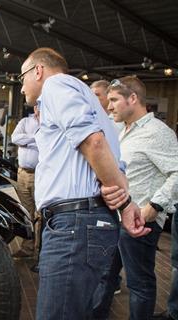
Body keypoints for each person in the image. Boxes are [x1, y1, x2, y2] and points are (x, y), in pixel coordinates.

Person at [18, 47, 149, 320]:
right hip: (87, 223)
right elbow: (115, 162)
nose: (21, 88)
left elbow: (94, 142)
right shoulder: (91, 102)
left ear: (38, 71)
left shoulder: (55, 86)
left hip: (73, 226)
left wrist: (125, 205)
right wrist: (124, 198)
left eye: (22, 78)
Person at [95, 76, 178, 320]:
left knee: (139, 284)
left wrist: (155, 206)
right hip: (114, 218)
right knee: (106, 278)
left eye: (113, 100)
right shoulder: (120, 130)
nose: (109, 107)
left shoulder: (158, 132)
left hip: (141, 221)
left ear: (133, 98)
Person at [11, 105, 40, 258]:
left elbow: (46, 144)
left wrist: (26, 140)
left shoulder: (49, 124)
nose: (37, 108)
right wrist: (35, 139)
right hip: (22, 173)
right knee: (27, 212)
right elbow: (15, 138)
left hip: (40, 175)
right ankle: (28, 248)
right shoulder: (25, 122)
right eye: (36, 105)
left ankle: (40, 251)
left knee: (40, 214)